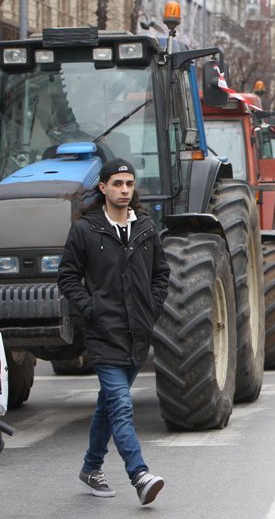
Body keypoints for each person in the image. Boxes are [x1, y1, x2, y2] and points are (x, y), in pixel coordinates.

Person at [57, 159, 170, 505]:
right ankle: (140, 474)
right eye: (117, 183)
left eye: (129, 184)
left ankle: (91, 467)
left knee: (108, 405)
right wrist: (90, 310)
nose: (124, 190)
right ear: (103, 187)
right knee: (121, 405)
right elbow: (67, 277)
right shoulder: (85, 230)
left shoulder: (146, 229)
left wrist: (150, 308)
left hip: (137, 334)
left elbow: (161, 274)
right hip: (103, 334)